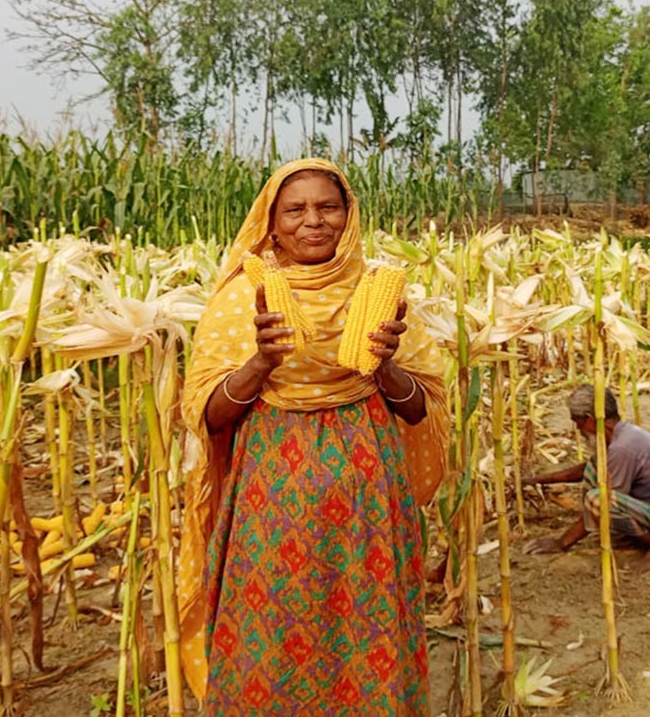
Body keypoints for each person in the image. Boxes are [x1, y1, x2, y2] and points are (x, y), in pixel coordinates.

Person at [175, 158, 450, 715]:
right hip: (271, 498)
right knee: (271, 625)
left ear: (348, 217)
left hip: (368, 495)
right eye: (295, 210)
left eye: (327, 207)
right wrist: (261, 362)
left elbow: (421, 410)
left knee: (366, 625)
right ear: (271, 225)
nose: (312, 222)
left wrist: (384, 366)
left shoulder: (381, 291)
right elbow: (208, 415)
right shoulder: (237, 301)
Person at [523, 384, 650, 567]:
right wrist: (538, 480)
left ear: (589, 419)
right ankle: (631, 536)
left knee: (598, 498)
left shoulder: (621, 449)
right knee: (595, 468)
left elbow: (605, 501)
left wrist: (562, 542)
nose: (577, 429)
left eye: (577, 422)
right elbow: (587, 469)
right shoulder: (624, 434)